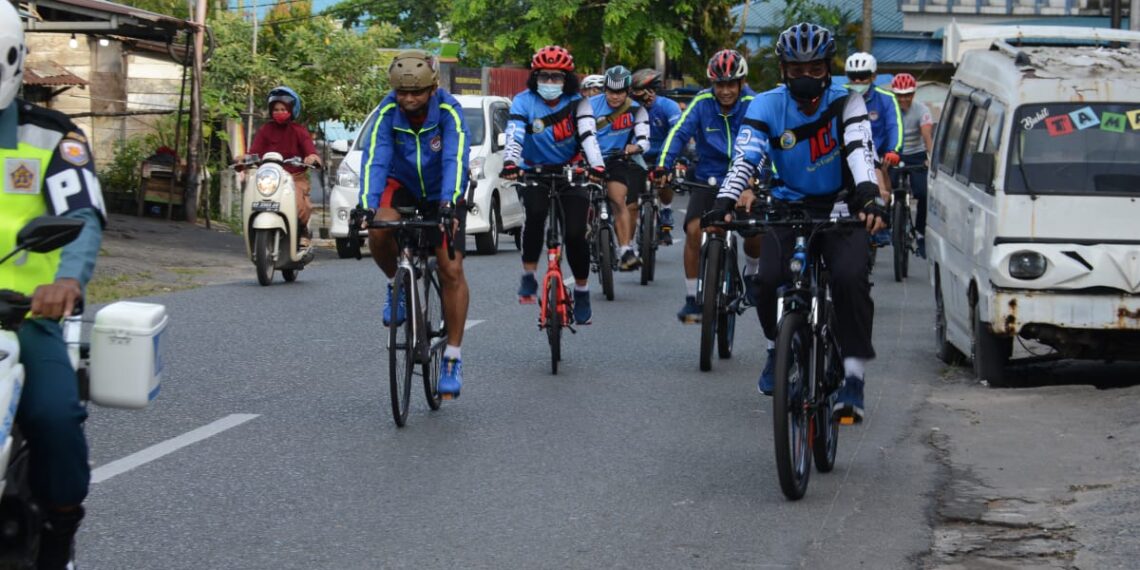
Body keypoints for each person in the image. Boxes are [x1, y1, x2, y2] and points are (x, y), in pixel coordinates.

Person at [714, 23, 886, 422]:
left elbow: (861, 149)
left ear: (828, 68)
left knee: (848, 278)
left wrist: (867, 195)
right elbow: (746, 157)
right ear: (783, 70)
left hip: (842, 208)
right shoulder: (766, 105)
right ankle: (779, 347)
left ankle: (854, 377)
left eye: (814, 69)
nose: (805, 77)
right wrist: (725, 199)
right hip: (789, 207)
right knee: (767, 280)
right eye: (796, 69)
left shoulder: (849, 102)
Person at [1, 4, 105, 566]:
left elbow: (83, 216)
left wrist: (66, 279)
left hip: (23, 319)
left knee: (55, 416)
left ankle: (60, 530)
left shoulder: (52, 136)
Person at [359, 50, 471, 397]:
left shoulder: (450, 111)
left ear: (432, 88)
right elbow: (374, 159)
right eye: (402, 92)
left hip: (442, 191)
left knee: (450, 269)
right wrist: (365, 206)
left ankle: (452, 356)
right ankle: (396, 283)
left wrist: (450, 203)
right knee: (378, 228)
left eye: (417, 92)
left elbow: (455, 156)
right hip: (402, 185)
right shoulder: (386, 113)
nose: (408, 99)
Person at [500, 45, 605, 325]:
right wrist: (510, 163)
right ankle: (528, 275)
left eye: (556, 78)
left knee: (574, 234)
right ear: (535, 77)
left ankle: (582, 291)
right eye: (544, 77)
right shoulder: (523, 101)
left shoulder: (578, 102)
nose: (549, 83)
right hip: (534, 171)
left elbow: (588, 136)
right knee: (534, 216)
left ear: (567, 79)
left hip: (572, 172)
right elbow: (514, 134)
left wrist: (597, 167)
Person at [650, 49, 757, 324]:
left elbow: (768, 142)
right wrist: (663, 165)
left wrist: (758, 179)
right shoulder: (701, 102)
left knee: (756, 234)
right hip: (708, 177)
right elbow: (678, 134)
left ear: (741, 83)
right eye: (719, 84)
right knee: (694, 230)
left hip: (746, 179)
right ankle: (692, 298)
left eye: (730, 84)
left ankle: (752, 272)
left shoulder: (755, 104)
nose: (724, 91)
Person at [244, 86, 321, 248]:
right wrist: (244, 158)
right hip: (269, 177)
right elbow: (253, 152)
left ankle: (302, 230)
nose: (279, 112)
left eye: (283, 109)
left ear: (291, 110)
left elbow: (311, 151)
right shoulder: (265, 130)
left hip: (294, 178)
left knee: (299, 202)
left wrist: (312, 158)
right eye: (276, 109)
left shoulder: (299, 131)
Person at [589, 65, 650, 271]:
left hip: (617, 158)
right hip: (589, 159)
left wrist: (637, 146)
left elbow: (643, 137)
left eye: (620, 92)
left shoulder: (636, 109)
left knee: (618, 199)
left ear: (627, 92)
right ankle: (588, 229)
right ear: (604, 89)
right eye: (611, 91)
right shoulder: (588, 106)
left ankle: (625, 250)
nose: (615, 97)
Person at [843, 52, 901, 247]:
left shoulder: (886, 98)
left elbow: (895, 126)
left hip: (878, 156)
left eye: (863, 76)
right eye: (853, 77)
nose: (858, 81)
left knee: (881, 191)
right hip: (849, 154)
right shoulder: (842, 97)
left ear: (874, 76)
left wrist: (893, 150)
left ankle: (882, 225)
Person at [631, 68, 682, 245]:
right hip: (638, 154)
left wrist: (669, 161)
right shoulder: (631, 107)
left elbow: (677, 134)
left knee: (664, 183)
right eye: (642, 93)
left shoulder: (669, 106)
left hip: (664, 153)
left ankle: (666, 211)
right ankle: (637, 223)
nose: (648, 96)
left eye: (651, 91)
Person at [889, 72, 933, 258]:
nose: (904, 99)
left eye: (908, 94)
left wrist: (930, 157)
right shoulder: (889, 109)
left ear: (914, 94)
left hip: (916, 155)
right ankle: (887, 224)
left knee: (923, 193)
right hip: (894, 153)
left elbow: (926, 136)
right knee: (883, 189)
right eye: (900, 95)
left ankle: (921, 232)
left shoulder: (922, 110)